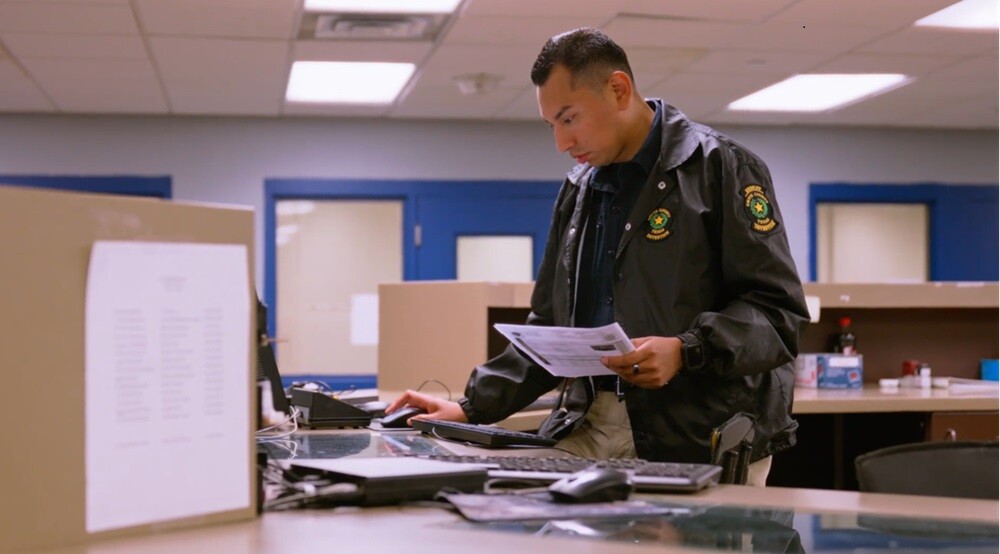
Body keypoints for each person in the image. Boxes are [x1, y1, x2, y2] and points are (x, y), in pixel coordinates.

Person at [386, 27, 809, 486]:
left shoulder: (719, 166)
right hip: (593, 420)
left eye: (569, 119)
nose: (561, 143)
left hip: (698, 432)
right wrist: (470, 405)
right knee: (494, 504)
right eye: (552, 126)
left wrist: (686, 351)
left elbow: (776, 314)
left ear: (618, 89)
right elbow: (549, 326)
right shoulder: (580, 189)